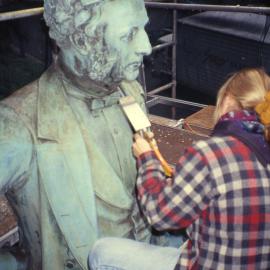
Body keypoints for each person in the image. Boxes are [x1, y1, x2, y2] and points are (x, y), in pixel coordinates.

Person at [0, 0, 155, 269]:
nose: (147, 46)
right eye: (129, 34)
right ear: (82, 41)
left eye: (142, 29)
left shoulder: (130, 91)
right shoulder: (19, 124)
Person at [88, 68, 270, 270]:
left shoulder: (210, 154)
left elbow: (158, 215)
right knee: (176, 240)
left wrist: (146, 158)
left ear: (227, 100)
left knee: (101, 252)